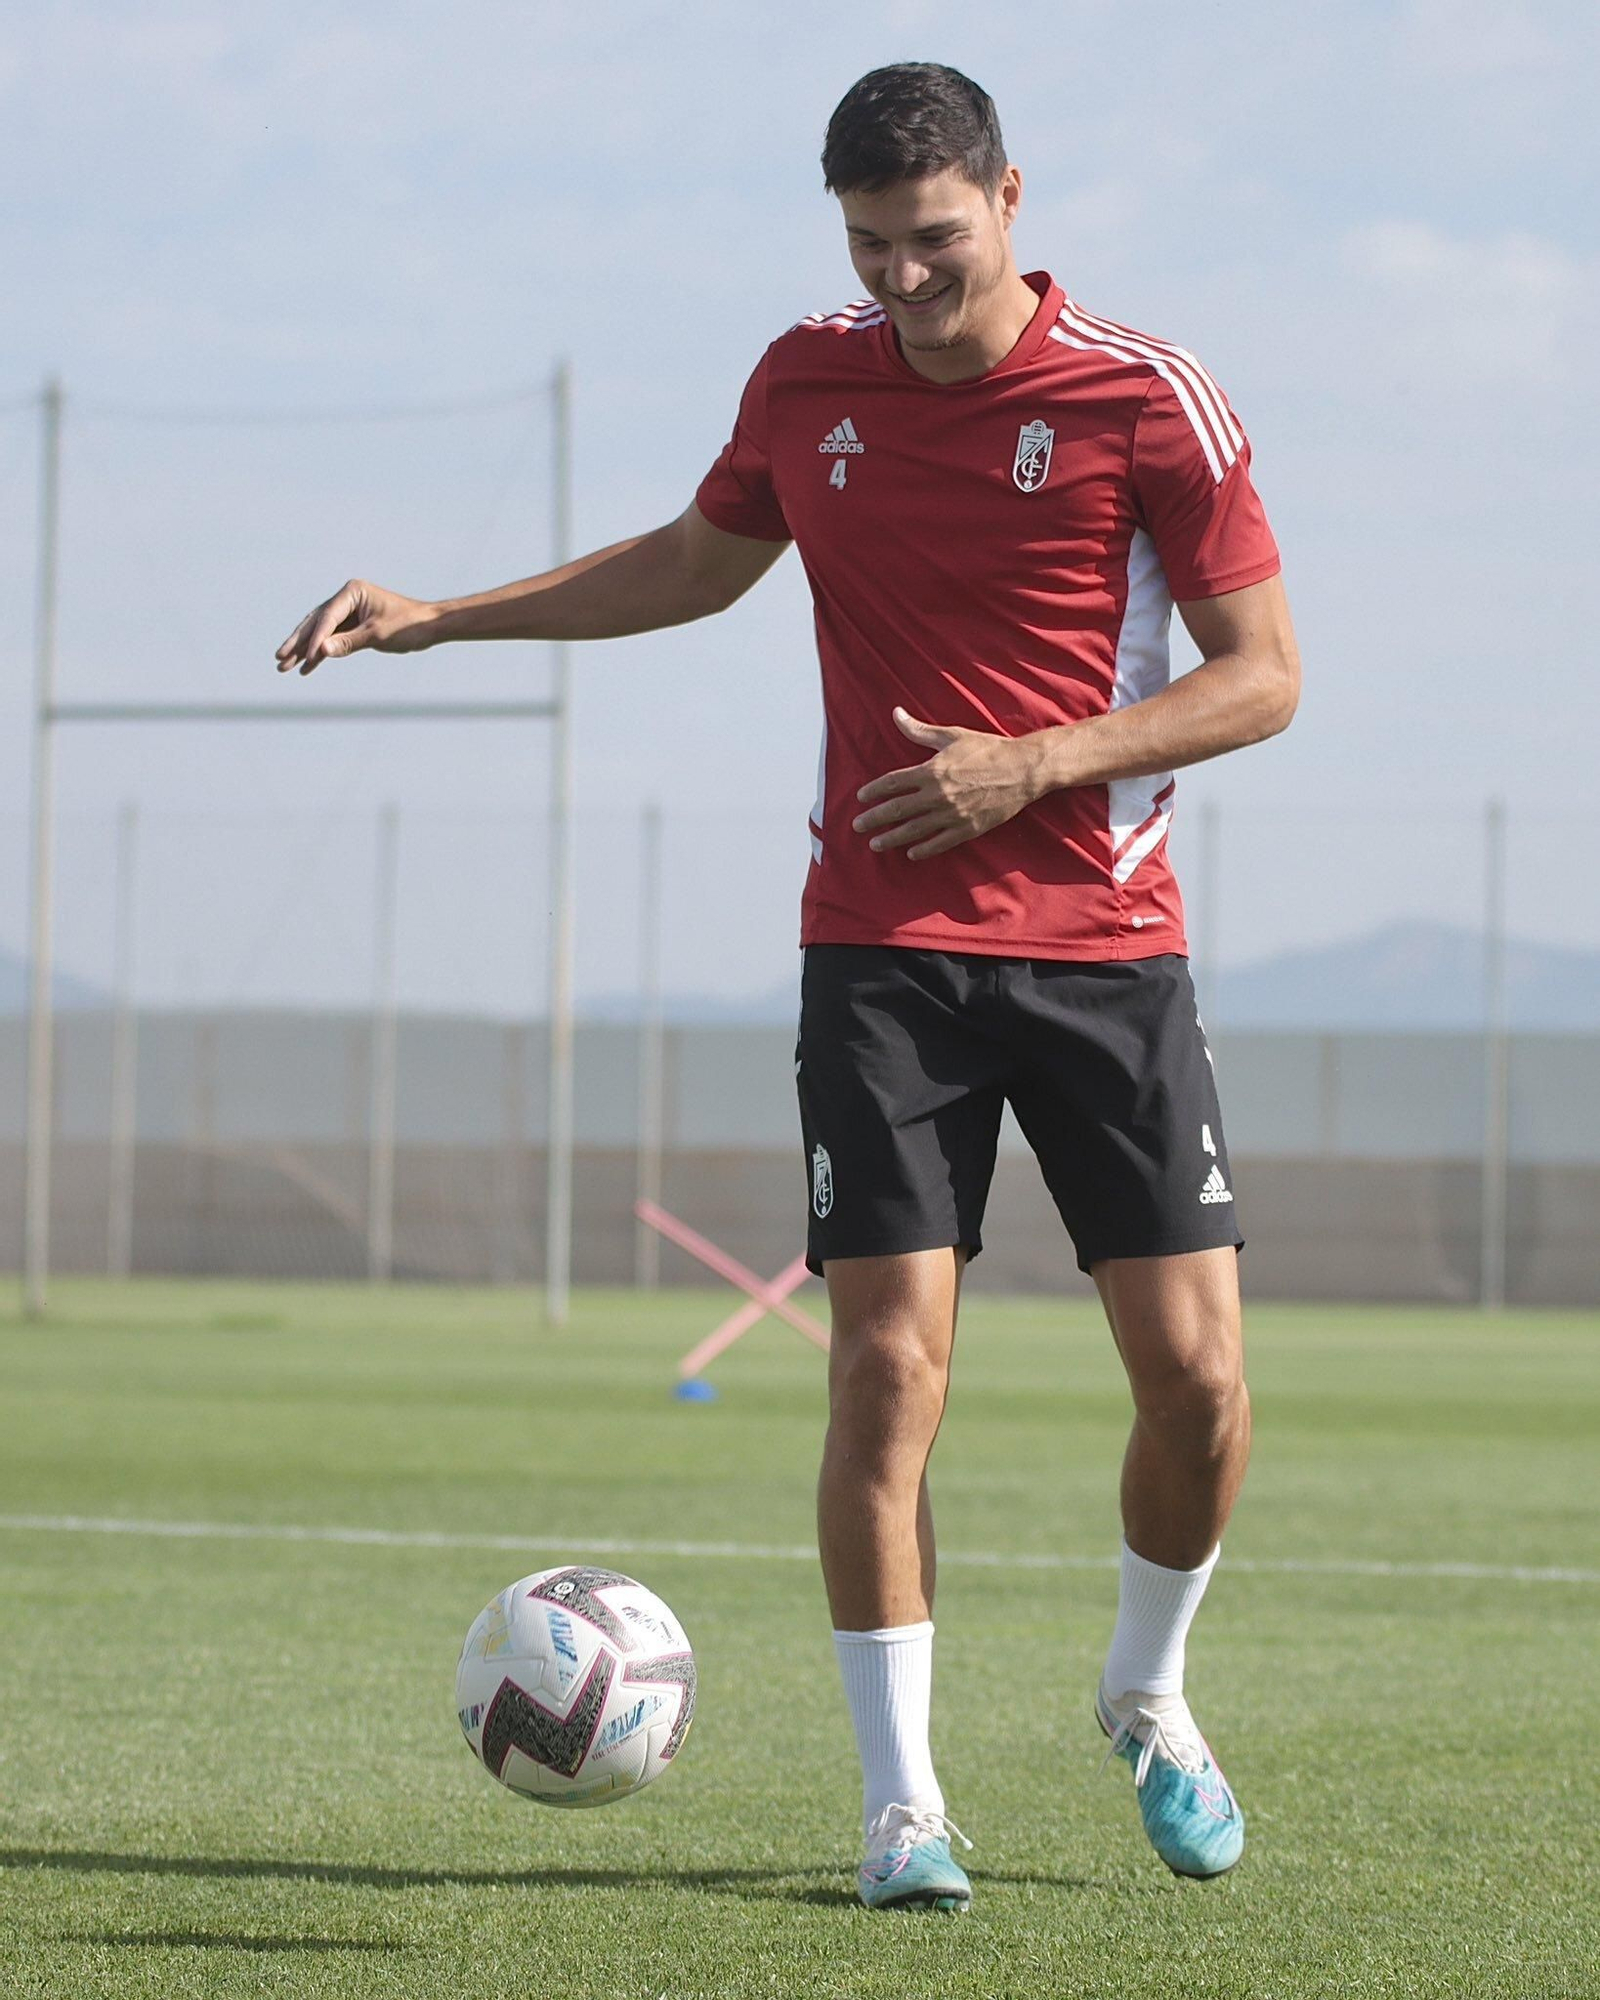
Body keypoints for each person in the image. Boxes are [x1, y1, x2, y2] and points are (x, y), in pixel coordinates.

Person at [276, 62, 1300, 1912]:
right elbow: (693, 564)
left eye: (935, 238)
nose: (903, 281)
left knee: (1201, 1387)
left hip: (1106, 955)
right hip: (882, 959)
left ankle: (1146, 1691)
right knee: (887, 1373)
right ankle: (905, 1808)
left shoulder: (1151, 399)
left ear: (1008, 196)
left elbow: (1264, 678)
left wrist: (1037, 762)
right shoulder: (805, 376)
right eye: (868, 246)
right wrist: (444, 610)